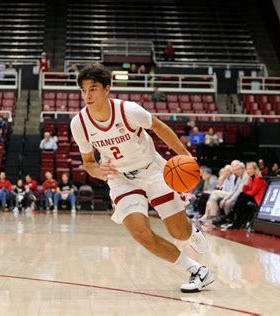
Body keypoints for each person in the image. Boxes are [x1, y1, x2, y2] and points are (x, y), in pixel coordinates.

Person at [70, 63, 212, 293]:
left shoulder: (128, 110)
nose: (87, 95)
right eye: (83, 90)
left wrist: (186, 156)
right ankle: (197, 271)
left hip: (152, 170)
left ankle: (191, 230)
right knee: (139, 232)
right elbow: (88, 161)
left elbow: (160, 127)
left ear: (107, 89)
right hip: (120, 178)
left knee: (179, 233)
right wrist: (97, 171)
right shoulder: (79, 123)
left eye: (93, 89)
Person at [228, 162, 267, 229]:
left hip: (259, 199)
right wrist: (247, 182)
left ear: (255, 169)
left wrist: (246, 191)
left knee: (242, 196)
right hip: (253, 197)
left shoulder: (259, 178)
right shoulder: (251, 178)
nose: (249, 171)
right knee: (242, 201)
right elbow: (245, 189)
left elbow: (252, 192)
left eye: (251, 169)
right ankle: (238, 222)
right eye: (248, 169)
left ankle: (234, 216)